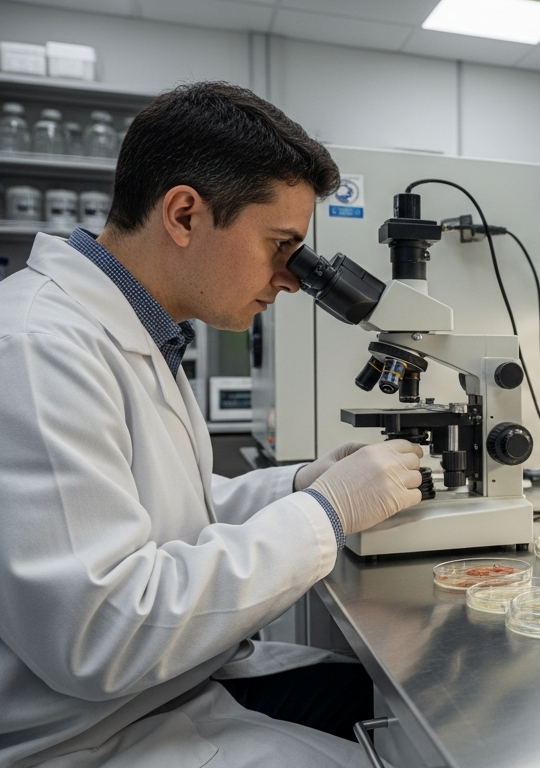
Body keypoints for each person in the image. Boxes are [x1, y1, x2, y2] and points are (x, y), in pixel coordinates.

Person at [0, 82, 425, 767]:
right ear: (184, 214)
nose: (292, 278)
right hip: (92, 736)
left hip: (170, 692)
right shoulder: (37, 348)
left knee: (393, 699)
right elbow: (103, 633)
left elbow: (162, 515)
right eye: (280, 245)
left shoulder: (138, 332)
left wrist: (301, 484)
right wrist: (326, 512)